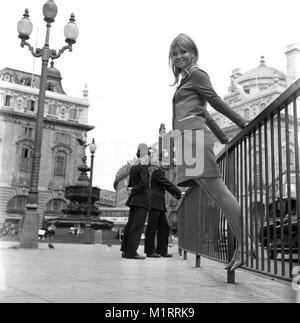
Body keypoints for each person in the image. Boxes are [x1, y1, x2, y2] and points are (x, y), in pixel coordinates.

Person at [169, 33, 249, 271]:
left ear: (193, 52)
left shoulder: (197, 74)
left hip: (194, 137)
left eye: (184, 51)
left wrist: (243, 123)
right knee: (215, 194)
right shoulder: (185, 81)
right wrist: (224, 138)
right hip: (185, 138)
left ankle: (245, 247)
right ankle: (247, 244)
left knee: (220, 192)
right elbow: (205, 112)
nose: (179, 56)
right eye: (175, 53)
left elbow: (214, 100)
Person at [145, 162, 183, 258]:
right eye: (165, 162)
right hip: (155, 203)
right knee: (152, 227)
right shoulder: (157, 172)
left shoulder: (159, 172)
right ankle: (150, 251)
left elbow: (166, 186)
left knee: (164, 227)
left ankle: (162, 251)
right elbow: (166, 183)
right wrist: (179, 192)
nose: (167, 165)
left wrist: (177, 194)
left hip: (159, 204)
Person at [120, 143, 151, 259]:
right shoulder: (143, 167)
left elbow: (130, 185)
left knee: (130, 225)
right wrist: (135, 190)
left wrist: (132, 191)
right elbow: (144, 183)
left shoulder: (133, 168)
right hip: (141, 200)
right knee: (137, 226)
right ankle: (132, 252)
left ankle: (125, 251)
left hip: (133, 200)